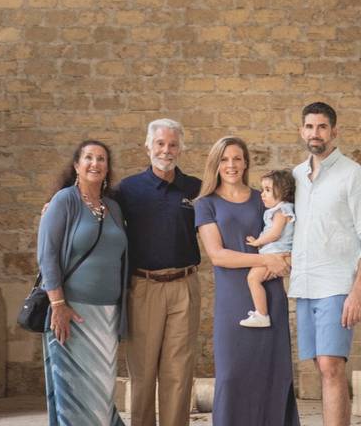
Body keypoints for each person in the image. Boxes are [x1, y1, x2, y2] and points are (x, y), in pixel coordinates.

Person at [289, 102, 361, 426]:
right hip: (305, 286)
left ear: (334, 132)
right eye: (310, 127)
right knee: (322, 367)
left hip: (337, 287)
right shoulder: (296, 177)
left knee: (332, 366)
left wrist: (357, 292)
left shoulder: (354, 176)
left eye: (322, 127)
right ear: (302, 131)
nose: (315, 133)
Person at [194, 136, 300, 426]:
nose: (231, 165)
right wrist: (266, 260)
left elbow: (288, 236)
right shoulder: (206, 203)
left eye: (237, 158)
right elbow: (218, 255)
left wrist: (286, 261)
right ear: (216, 163)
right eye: (225, 159)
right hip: (232, 298)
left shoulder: (262, 198)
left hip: (269, 295)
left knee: (272, 373)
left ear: (246, 162)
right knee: (231, 374)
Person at [114, 119, 202, 426]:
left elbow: (227, 213)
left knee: (178, 371)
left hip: (184, 285)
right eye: (161, 144)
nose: (167, 150)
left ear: (180, 148)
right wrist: (56, 204)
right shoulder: (128, 189)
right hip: (144, 287)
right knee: (143, 371)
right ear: (148, 146)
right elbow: (93, 207)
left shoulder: (195, 188)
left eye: (173, 144)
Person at [36, 140, 128, 426]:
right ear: (76, 165)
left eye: (101, 159)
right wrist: (58, 304)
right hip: (70, 313)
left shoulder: (113, 207)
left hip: (107, 315)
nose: (95, 164)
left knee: (101, 396)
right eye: (88, 158)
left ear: (107, 168)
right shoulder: (64, 201)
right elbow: (47, 254)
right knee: (73, 396)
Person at [240, 169, 297, 328]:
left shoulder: (282, 210)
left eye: (268, 190)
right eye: (262, 190)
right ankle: (261, 313)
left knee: (253, 279)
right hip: (275, 253)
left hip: (277, 253)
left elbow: (274, 234)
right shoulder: (277, 210)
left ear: (282, 191)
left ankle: (262, 314)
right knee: (254, 278)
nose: (262, 194)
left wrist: (258, 242)